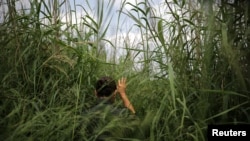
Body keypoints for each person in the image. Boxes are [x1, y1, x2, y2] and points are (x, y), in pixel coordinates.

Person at [83, 76, 137, 141]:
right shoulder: (122, 114)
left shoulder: (84, 115)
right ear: (114, 93)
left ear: (95, 93)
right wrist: (122, 93)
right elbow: (134, 119)